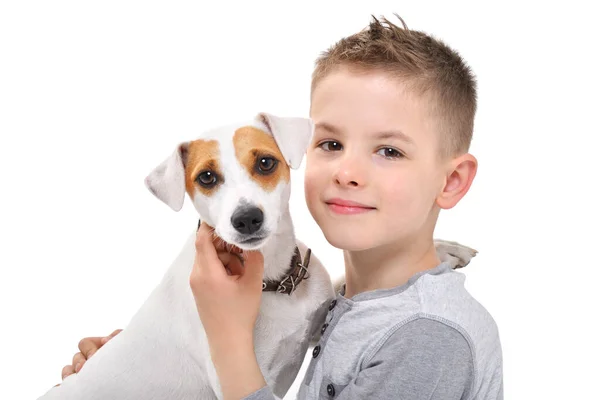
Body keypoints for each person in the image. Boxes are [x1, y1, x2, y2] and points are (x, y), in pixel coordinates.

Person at [60, 14, 503, 400]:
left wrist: (229, 341)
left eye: (389, 150)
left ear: (451, 182)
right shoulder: (347, 296)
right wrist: (131, 371)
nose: (347, 172)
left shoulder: (427, 338)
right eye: (330, 143)